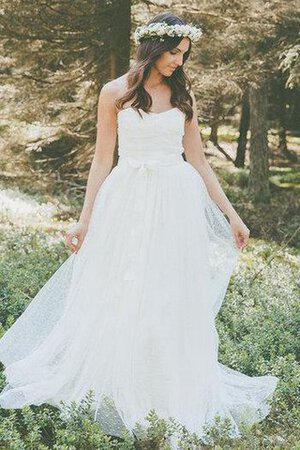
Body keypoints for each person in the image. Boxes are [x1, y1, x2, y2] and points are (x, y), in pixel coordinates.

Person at [0, 11, 279, 448]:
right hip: (128, 198)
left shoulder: (183, 95)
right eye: (172, 53)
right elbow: (101, 159)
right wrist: (84, 219)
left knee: (169, 290)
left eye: (183, 55)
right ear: (151, 48)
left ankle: (164, 380)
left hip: (176, 202)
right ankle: (118, 374)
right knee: (124, 285)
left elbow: (199, 161)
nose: (178, 62)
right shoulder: (114, 93)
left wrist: (233, 216)